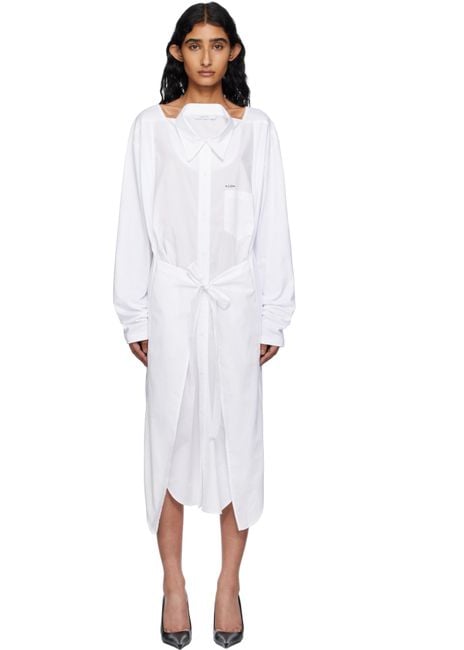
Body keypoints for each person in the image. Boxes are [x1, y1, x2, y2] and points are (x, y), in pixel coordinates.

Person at [113, 3, 296, 647]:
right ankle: (172, 581)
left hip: (235, 304)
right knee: (168, 436)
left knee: (235, 439)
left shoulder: (257, 131)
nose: (207, 57)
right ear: (177, 53)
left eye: (219, 44)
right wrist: (135, 310)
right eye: (195, 45)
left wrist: (273, 312)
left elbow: (272, 224)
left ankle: (228, 582)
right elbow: (134, 222)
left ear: (234, 52)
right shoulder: (149, 129)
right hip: (171, 303)